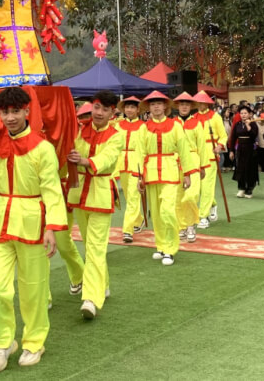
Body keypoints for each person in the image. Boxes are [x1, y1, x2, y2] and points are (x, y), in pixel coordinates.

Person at [0, 87, 68, 373]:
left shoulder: (42, 147)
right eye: (5, 112)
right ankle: (4, 342)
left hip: (32, 223)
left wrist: (52, 226)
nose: (10, 117)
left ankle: (34, 343)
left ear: (27, 111)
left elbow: (52, 189)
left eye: (15, 111)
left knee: (33, 289)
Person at [67, 90, 124, 320]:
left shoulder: (116, 136)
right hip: (78, 193)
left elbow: (108, 158)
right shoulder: (79, 129)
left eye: (104, 109)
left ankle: (90, 298)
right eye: (96, 107)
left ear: (112, 113)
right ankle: (103, 284)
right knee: (90, 245)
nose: (98, 112)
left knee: (95, 248)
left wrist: (84, 161)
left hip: (100, 194)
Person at [135, 90, 195, 266]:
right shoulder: (143, 128)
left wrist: (187, 173)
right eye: (153, 104)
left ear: (165, 106)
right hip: (151, 173)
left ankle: (170, 248)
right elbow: (140, 153)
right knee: (156, 213)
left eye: (159, 104)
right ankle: (161, 246)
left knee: (167, 211)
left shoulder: (175, 126)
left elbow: (183, 150)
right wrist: (139, 177)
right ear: (149, 108)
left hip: (170, 171)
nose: (156, 107)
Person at [193, 91, 228, 227]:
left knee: (207, 185)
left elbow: (223, 136)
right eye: (198, 102)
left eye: (202, 102)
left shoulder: (215, 117)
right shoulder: (193, 118)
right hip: (196, 154)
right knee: (199, 187)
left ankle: (203, 216)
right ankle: (212, 204)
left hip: (210, 152)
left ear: (207, 103)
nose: (200, 104)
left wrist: (219, 146)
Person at [173, 92, 203, 243]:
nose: (184, 107)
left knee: (191, 195)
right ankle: (181, 226)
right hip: (175, 162)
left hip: (193, 160)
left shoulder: (197, 123)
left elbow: (202, 146)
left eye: (187, 104)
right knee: (178, 197)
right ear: (178, 106)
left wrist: (203, 165)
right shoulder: (172, 123)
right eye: (181, 104)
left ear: (191, 107)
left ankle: (191, 225)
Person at [115, 96, 146, 243]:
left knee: (133, 197)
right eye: (127, 107)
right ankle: (139, 220)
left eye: (132, 107)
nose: (129, 110)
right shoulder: (118, 125)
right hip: (122, 163)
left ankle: (127, 230)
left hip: (136, 163)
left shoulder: (143, 126)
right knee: (129, 197)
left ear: (138, 110)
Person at [228, 105, 259, 198]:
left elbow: (254, 135)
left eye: (245, 113)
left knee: (250, 168)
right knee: (240, 168)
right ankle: (241, 188)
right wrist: (231, 150)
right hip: (240, 148)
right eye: (241, 113)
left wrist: (248, 125)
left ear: (249, 114)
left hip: (250, 148)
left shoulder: (253, 124)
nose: (243, 115)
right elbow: (233, 138)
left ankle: (249, 189)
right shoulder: (237, 124)